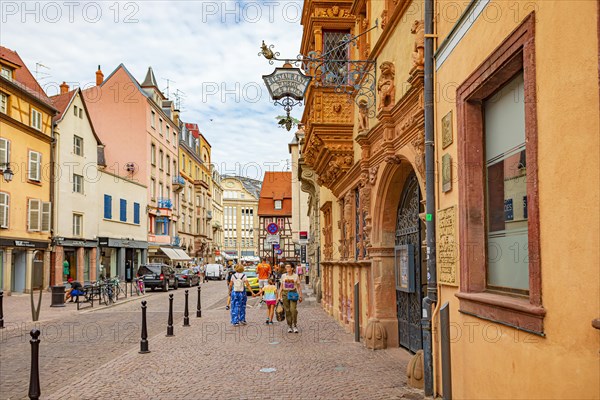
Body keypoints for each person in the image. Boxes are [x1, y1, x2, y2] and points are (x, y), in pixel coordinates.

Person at [277, 262, 303, 333]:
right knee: (287, 310)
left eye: (288, 267)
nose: (287, 268)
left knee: (293, 310)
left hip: (293, 293)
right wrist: (279, 296)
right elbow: (281, 286)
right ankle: (289, 325)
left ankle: (295, 325)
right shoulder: (283, 276)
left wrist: (300, 296)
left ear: (292, 268)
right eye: (286, 267)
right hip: (285, 293)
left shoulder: (296, 276)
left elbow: (298, 286)